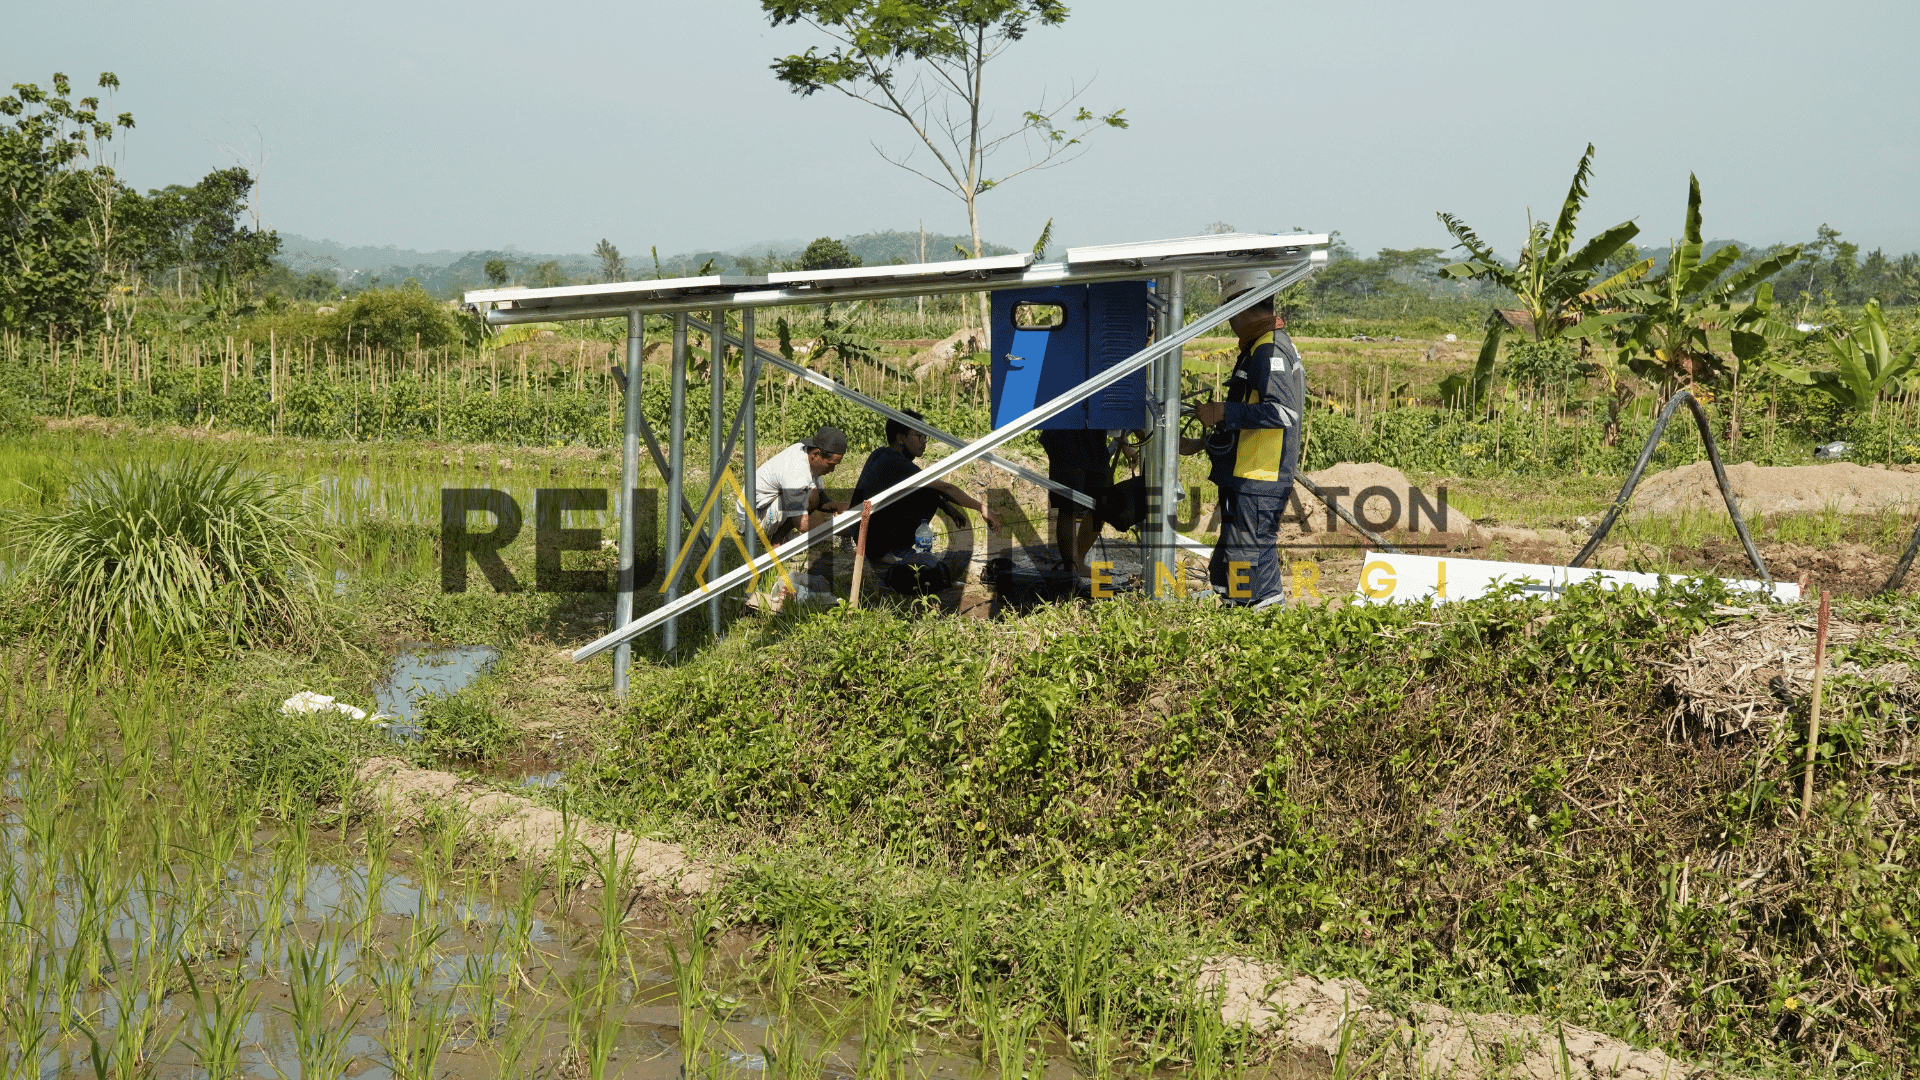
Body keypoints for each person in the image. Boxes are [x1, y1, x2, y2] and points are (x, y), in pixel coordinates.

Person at [1192, 269, 1303, 608]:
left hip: (1260, 477)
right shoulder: (1257, 345)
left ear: (1244, 305)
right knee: (1230, 559)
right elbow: (1250, 412)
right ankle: (1236, 615)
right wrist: (1201, 442)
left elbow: (1284, 413)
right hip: (1247, 474)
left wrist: (1224, 411)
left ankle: (1263, 623)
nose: (1230, 321)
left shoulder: (1269, 351)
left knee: (1250, 560)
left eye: (1229, 311)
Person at [850, 409, 1002, 561]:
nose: (924, 441)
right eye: (918, 435)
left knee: (929, 492)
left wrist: (947, 507)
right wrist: (982, 508)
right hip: (873, 542)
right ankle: (895, 550)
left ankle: (893, 548)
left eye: (925, 436)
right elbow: (945, 487)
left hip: (864, 536)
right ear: (900, 438)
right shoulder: (897, 463)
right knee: (929, 493)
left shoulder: (881, 453)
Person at [1038, 427, 1136, 579]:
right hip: (1066, 436)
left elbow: (1111, 408)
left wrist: (1126, 445)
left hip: (1094, 443)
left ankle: (1079, 562)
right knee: (1069, 506)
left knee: (1105, 504)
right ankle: (1072, 567)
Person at [747, 425, 850, 544]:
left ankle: (778, 536)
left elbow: (819, 499)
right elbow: (802, 524)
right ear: (815, 454)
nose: (832, 470)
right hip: (754, 521)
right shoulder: (796, 472)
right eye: (830, 464)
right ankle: (776, 540)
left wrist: (835, 506)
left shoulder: (806, 453)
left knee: (818, 489)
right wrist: (840, 528)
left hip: (766, 507)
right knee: (811, 494)